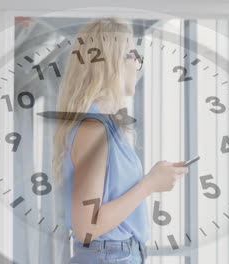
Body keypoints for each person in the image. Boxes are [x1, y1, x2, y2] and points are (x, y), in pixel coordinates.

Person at [52, 17, 189, 264]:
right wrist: (149, 184)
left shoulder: (105, 127)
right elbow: (87, 227)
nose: (138, 64)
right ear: (109, 63)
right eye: (132, 55)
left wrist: (154, 179)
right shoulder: (93, 129)